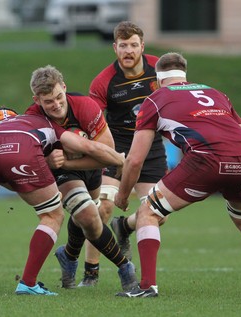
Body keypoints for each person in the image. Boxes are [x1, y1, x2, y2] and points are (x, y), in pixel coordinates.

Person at [114, 52, 241, 298]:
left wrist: (123, 195)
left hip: (206, 160)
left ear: (157, 80)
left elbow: (135, 159)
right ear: (185, 75)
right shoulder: (216, 94)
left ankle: (147, 286)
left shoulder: (155, 99)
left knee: (148, 211)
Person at [0, 107, 125, 296]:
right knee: (52, 215)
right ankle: (28, 282)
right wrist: (120, 160)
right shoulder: (36, 122)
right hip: (22, 150)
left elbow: (4, 175)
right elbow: (85, 146)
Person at [25, 65, 138, 291]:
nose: (56, 105)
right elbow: (32, 158)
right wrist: (48, 162)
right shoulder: (32, 118)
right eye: (48, 102)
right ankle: (125, 268)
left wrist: (67, 160)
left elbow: (107, 152)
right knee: (87, 215)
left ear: (64, 88)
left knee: (86, 215)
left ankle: (68, 255)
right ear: (37, 100)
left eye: (59, 97)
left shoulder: (85, 106)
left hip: (91, 166)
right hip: (63, 174)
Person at [82, 20, 167, 287]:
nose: (128, 51)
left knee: (157, 214)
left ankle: (125, 227)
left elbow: (179, 96)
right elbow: (91, 118)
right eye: (122, 46)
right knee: (104, 206)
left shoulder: (160, 69)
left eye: (133, 45)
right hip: (115, 149)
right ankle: (91, 272)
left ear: (142, 46)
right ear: (114, 48)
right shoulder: (103, 81)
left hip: (151, 148)